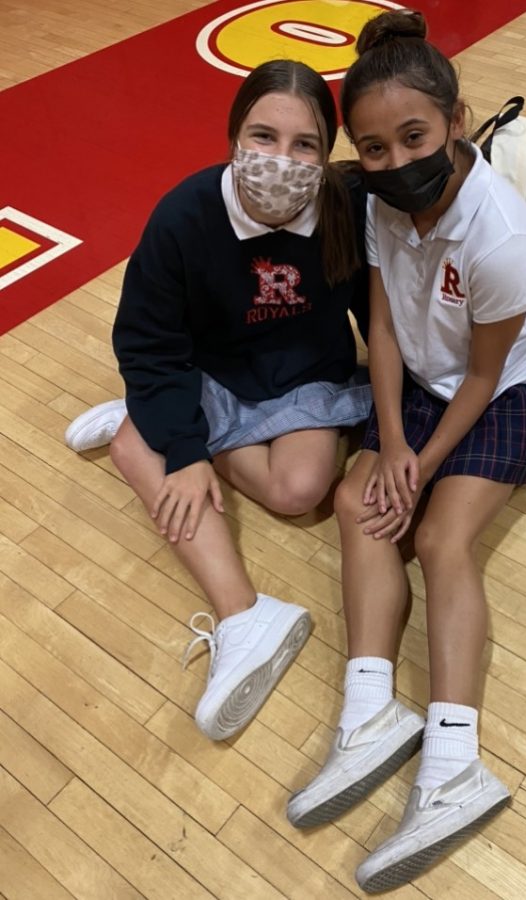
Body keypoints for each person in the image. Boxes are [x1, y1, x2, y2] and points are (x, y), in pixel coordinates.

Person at [285, 10, 526, 892]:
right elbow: (379, 324)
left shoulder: (500, 236)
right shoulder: (381, 203)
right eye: (371, 148)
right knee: (355, 501)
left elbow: (487, 376)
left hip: (508, 391)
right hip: (421, 384)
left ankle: (456, 764)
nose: (392, 162)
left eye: (412, 137)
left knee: (437, 539)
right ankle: (370, 715)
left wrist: (421, 463)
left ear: (457, 122)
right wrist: (388, 443)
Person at [65, 60, 372, 742]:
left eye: (305, 145)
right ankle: (244, 616)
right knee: (143, 449)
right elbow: (146, 341)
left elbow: (379, 318)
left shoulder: (343, 209)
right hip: (213, 371)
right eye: (262, 136)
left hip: (305, 375)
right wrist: (182, 449)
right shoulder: (184, 215)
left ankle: (144, 419)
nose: (281, 160)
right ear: (232, 136)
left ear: (326, 153)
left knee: (299, 491)